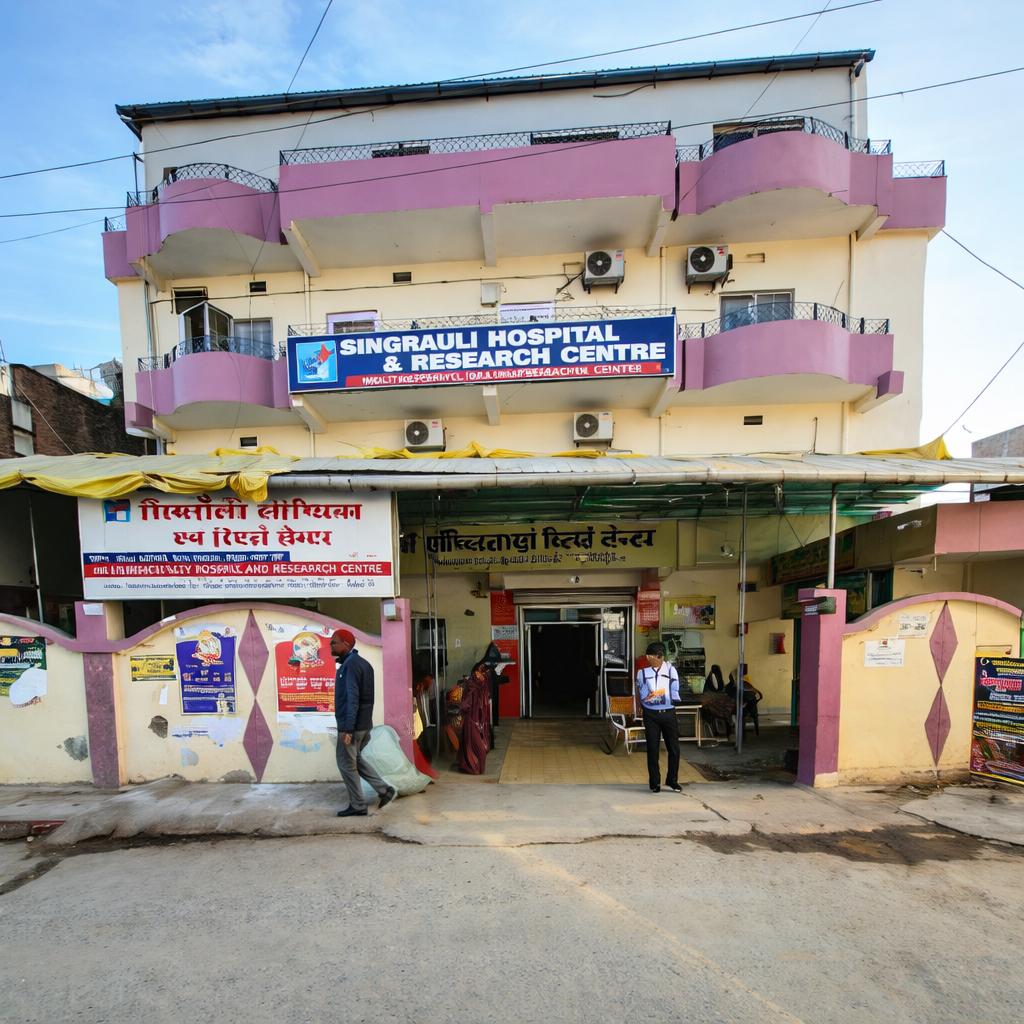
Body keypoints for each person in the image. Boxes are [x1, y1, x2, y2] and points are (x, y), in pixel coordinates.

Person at [331, 628, 396, 817]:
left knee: (346, 763)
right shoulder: (361, 663)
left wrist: (347, 729)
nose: (330, 646)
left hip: (353, 726)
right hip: (364, 724)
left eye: (334, 642)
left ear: (346, 644)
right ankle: (384, 790)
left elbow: (353, 698)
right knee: (356, 760)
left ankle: (358, 805)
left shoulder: (350, 665)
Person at [636, 641, 682, 793]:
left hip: (668, 713)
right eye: (647, 656)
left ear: (659, 656)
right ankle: (654, 783)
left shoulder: (671, 671)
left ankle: (672, 780)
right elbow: (641, 693)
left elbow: (675, 692)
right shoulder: (642, 673)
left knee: (674, 748)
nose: (648, 659)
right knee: (652, 749)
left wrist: (661, 696)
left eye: (651, 656)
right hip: (651, 714)